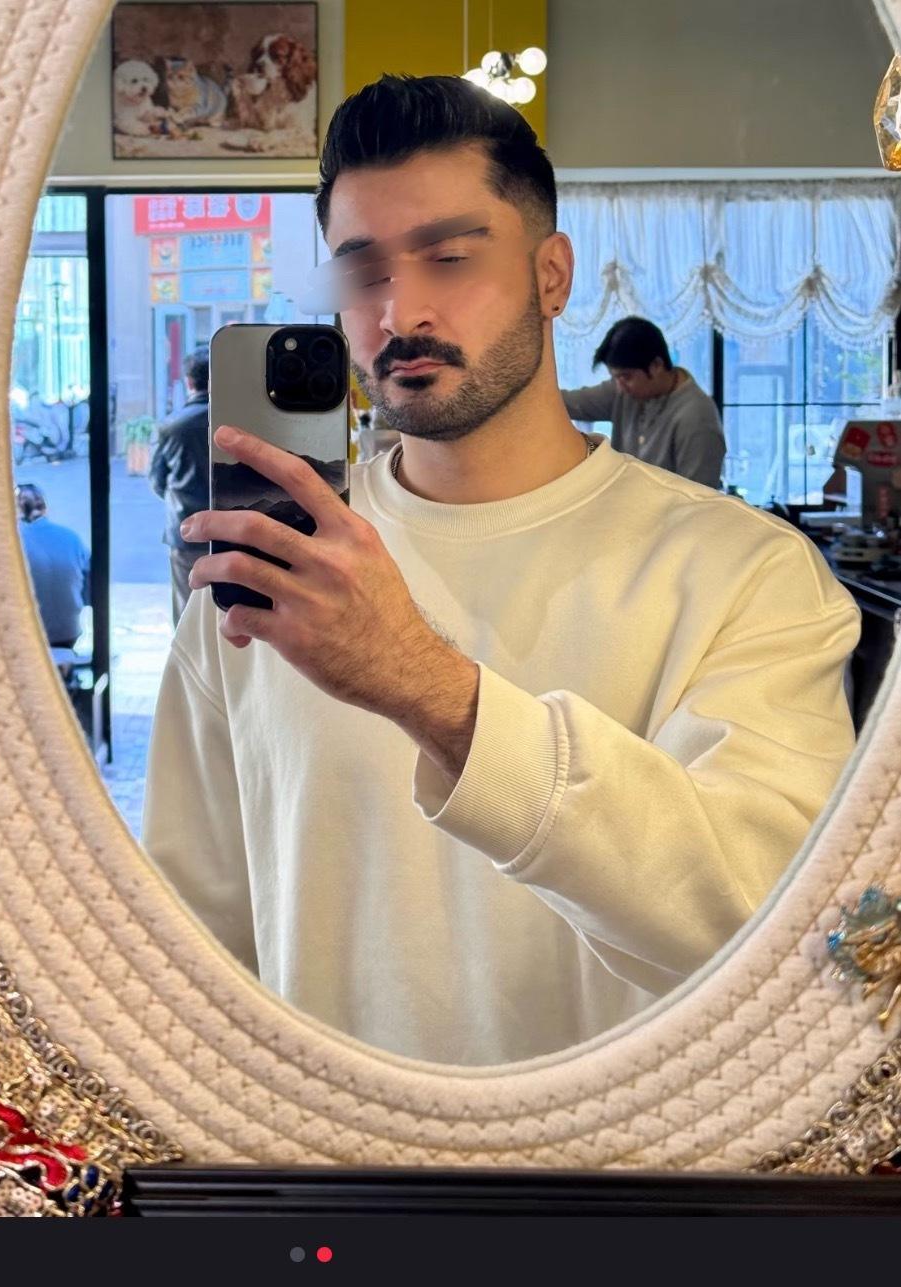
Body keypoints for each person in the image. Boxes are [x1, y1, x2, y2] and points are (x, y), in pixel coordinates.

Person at [142, 75, 858, 1066]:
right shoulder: (274, 572)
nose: (400, 312)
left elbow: (772, 930)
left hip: (629, 1157)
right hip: (322, 1153)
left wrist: (424, 686)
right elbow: (192, 939)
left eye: (448, 257)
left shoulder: (745, 576)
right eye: (362, 272)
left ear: (550, 275)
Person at [562, 316, 727, 489]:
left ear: (656, 365)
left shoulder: (697, 417)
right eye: (615, 377)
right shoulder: (625, 390)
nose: (620, 387)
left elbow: (699, 496)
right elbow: (568, 403)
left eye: (626, 377)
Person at [148, 350, 211, 625]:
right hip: (233, 530)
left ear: (188, 381)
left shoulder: (171, 426)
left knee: (186, 610)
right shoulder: (236, 421)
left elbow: (157, 481)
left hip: (185, 530)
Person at [15, 483, 90, 649]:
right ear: (45, 508)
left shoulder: (14, 542)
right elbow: (89, 588)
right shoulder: (71, 537)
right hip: (69, 633)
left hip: (27, 636)